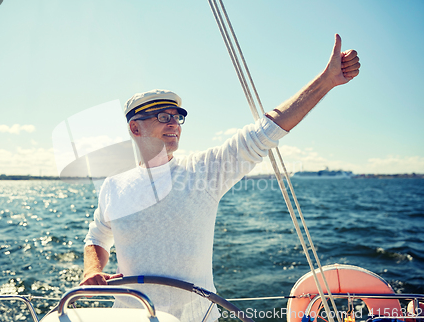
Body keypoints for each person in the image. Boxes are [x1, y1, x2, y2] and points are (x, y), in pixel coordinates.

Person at [81, 34, 360, 322]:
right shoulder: (114, 186)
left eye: (178, 117)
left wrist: (326, 82)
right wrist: (92, 269)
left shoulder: (203, 171)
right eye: (163, 117)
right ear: (135, 128)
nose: (175, 124)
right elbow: (97, 236)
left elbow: (264, 132)